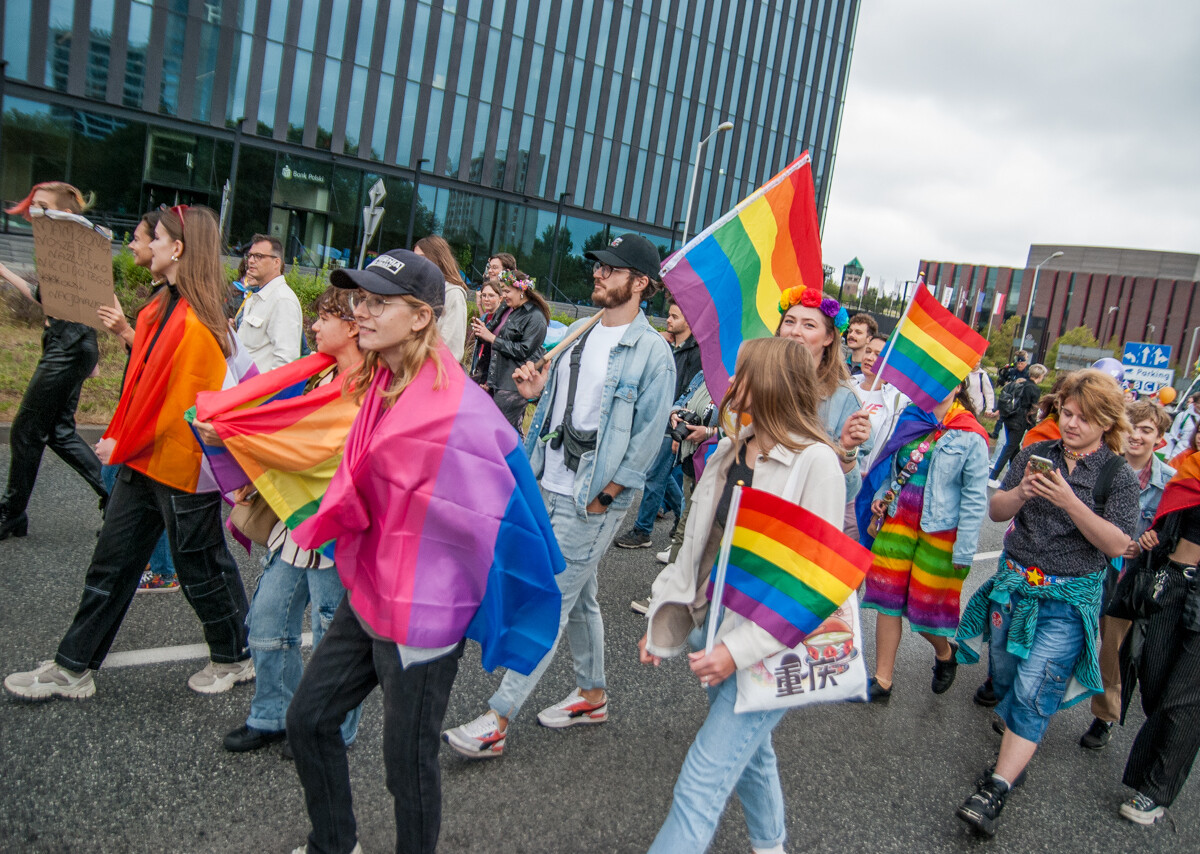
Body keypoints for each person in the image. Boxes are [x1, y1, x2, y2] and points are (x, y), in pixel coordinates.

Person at [283, 249, 562, 854]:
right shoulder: (381, 379)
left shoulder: (457, 409)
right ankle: (334, 843)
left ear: (418, 318)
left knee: (405, 765)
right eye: (360, 299)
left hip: (425, 613)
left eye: (377, 303)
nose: (361, 312)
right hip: (373, 589)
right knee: (307, 719)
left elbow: (499, 511)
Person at [4, 205, 253, 701]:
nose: (145, 244)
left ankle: (235, 656)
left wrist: (123, 440)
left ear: (178, 248)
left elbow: (180, 408)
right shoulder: (163, 307)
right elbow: (142, 384)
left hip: (184, 467)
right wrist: (124, 436)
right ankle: (73, 666)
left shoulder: (197, 323)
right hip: (146, 459)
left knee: (200, 568)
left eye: (155, 238)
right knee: (112, 564)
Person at [442, 233, 674, 759]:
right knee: (580, 596)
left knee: (551, 600)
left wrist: (606, 497)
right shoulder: (580, 333)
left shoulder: (651, 354)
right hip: (548, 479)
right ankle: (592, 694)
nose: (599, 274)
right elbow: (566, 404)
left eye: (613, 270)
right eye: (598, 266)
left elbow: (645, 441)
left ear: (641, 284)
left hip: (590, 498)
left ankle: (498, 717)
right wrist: (534, 394)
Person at [639, 336, 846, 853]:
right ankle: (771, 845)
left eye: (742, 374)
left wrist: (738, 650)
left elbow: (815, 583)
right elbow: (698, 548)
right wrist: (663, 623)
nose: (731, 384)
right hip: (715, 625)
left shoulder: (816, 463)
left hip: (769, 643)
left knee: (701, 780)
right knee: (752, 754)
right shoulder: (734, 447)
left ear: (772, 383)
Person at [953, 369, 1139, 837]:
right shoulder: (1035, 452)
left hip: (1067, 601)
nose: (1071, 424)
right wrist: (1020, 493)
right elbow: (996, 511)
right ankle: (1018, 751)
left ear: (1106, 421)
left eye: (1083, 417)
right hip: (1013, 588)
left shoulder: (1118, 477)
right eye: (1067, 413)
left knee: (1035, 693)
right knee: (1008, 678)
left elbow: (1117, 545)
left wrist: (1070, 502)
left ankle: (995, 787)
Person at [192, 286, 365, 754]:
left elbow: (311, 450)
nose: (313, 326)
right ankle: (273, 716)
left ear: (352, 326)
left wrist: (244, 438)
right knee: (266, 622)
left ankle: (330, 729)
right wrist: (235, 433)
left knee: (333, 635)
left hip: (336, 531)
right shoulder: (317, 376)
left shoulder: (373, 389)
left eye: (323, 318)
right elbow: (280, 431)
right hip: (297, 525)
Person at [859, 381, 990, 701]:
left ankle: (946, 653)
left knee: (925, 614)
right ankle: (882, 680)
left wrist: (965, 550)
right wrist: (881, 495)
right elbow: (892, 470)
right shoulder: (911, 418)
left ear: (959, 386)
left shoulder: (971, 434)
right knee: (887, 603)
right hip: (898, 525)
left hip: (940, 535)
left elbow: (975, 499)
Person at [0, 181, 108, 540]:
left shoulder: (70, 244)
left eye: (44, 206)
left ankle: (12, 514)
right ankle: (114, 497)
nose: (36, 212)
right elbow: (47, 299)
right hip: (71, 344)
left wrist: (87, 350)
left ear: (66, 212)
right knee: (59, 431)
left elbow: (95, 298)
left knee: (25, 430)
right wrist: (3, 271)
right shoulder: (61, 246)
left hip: (68, 346)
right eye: (34, 205)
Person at [1079, 400, 1173, 750]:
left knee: (1112, 653)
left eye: (1146, 430)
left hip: (1127, 583)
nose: (1136, 435)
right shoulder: (1102, 468)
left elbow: (1173, 536)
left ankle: (1104, 716)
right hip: (1087, 570)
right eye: (1131, 426)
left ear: (1160, 439)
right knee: (1065, 639)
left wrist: (1150, 542)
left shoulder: (1169, 485)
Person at [95, 210, 179, 592]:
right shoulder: (161, 293)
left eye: (143, 237)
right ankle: (143, 562)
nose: (133, 244)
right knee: (125, 485)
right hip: (137, 415)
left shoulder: (176, 300)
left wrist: (125, 330)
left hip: (151, 421)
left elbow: (161, 362)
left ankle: (161, 569)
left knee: (146, 493)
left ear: (175, 247)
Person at [1116, 449, 1200, 825]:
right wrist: (1154, 541)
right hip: (1171, 584)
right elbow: (1168, 530)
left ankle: (1155, 791)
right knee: (1154, 684)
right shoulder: (1190, 468)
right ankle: (1152, 770)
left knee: (1183, 698)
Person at [776, 286, 873, 535]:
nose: (795, 331)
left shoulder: (844, 398)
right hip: (753, 510)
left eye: (809, 325)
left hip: (805, 524)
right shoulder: (758, 379)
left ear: (829, 338)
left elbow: (847, 491)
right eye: (789, 321)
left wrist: (847, 451)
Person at [615, 299, 699, 549]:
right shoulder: (671, 347)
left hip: (673, 420)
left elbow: (689, 389)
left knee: (654, 475)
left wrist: (679, 421)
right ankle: (681, 516)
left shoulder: (695, 353)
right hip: (660, 414)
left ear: (689, 321)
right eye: (669, 316)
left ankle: (642, 531)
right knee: (661, 475)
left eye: (674, 316)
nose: (669, 320)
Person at [471, 269, 550, 432]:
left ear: (521, 290)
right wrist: (481, 331)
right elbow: (488, 335)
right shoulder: (506, 308)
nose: (504, 295)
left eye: (507, 291)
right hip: (495, 379)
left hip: (513, 384)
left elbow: (523, 351)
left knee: (501, 431)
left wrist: (492, 338)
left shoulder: (536, 317)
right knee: (493, 428)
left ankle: (515, 457)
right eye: (502, 290)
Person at [235, 234, 303, 372]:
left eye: (259, 256)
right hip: (241, 388)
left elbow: (285, 362)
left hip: (259, 391)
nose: (251, 261)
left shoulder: (282, 300)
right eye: (250, 256)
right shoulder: (258, 295)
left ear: (276, 262)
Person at [854, 334, 910, 474]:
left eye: (878, 355)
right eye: (868, 351)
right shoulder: (846, 386)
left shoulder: (898, 401)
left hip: (868, 479)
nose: (870, 357)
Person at [988, 362, 1047, 488]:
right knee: (1009, 448)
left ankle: (1015, 476)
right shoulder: (1034, 389)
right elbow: (1033, 408)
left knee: (1014, 450)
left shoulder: (1020, 383)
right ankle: (993, 476)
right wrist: (1033, 426)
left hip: (1009, 417)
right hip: (1020, 421)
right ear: (1040, 376)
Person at [414, 234, 468, 362]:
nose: (417, 264)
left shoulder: (453, 294)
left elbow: (451, 347)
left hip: (434, 372)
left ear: (437, 259)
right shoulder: (416, 289)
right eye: (415, 259)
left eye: (422, 258)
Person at [469, 280, 503, 384]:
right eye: (484, 295)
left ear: (500, 298)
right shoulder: (484, 318)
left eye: (491, 296)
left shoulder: (503, 319)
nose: (486, 299)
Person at [1163, 393, 1200, 459]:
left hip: (1195, 457)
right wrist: (1167, 457)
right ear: (1195, 404)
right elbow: (1172, 438)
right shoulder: (1183, 416)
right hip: (1178, 454)